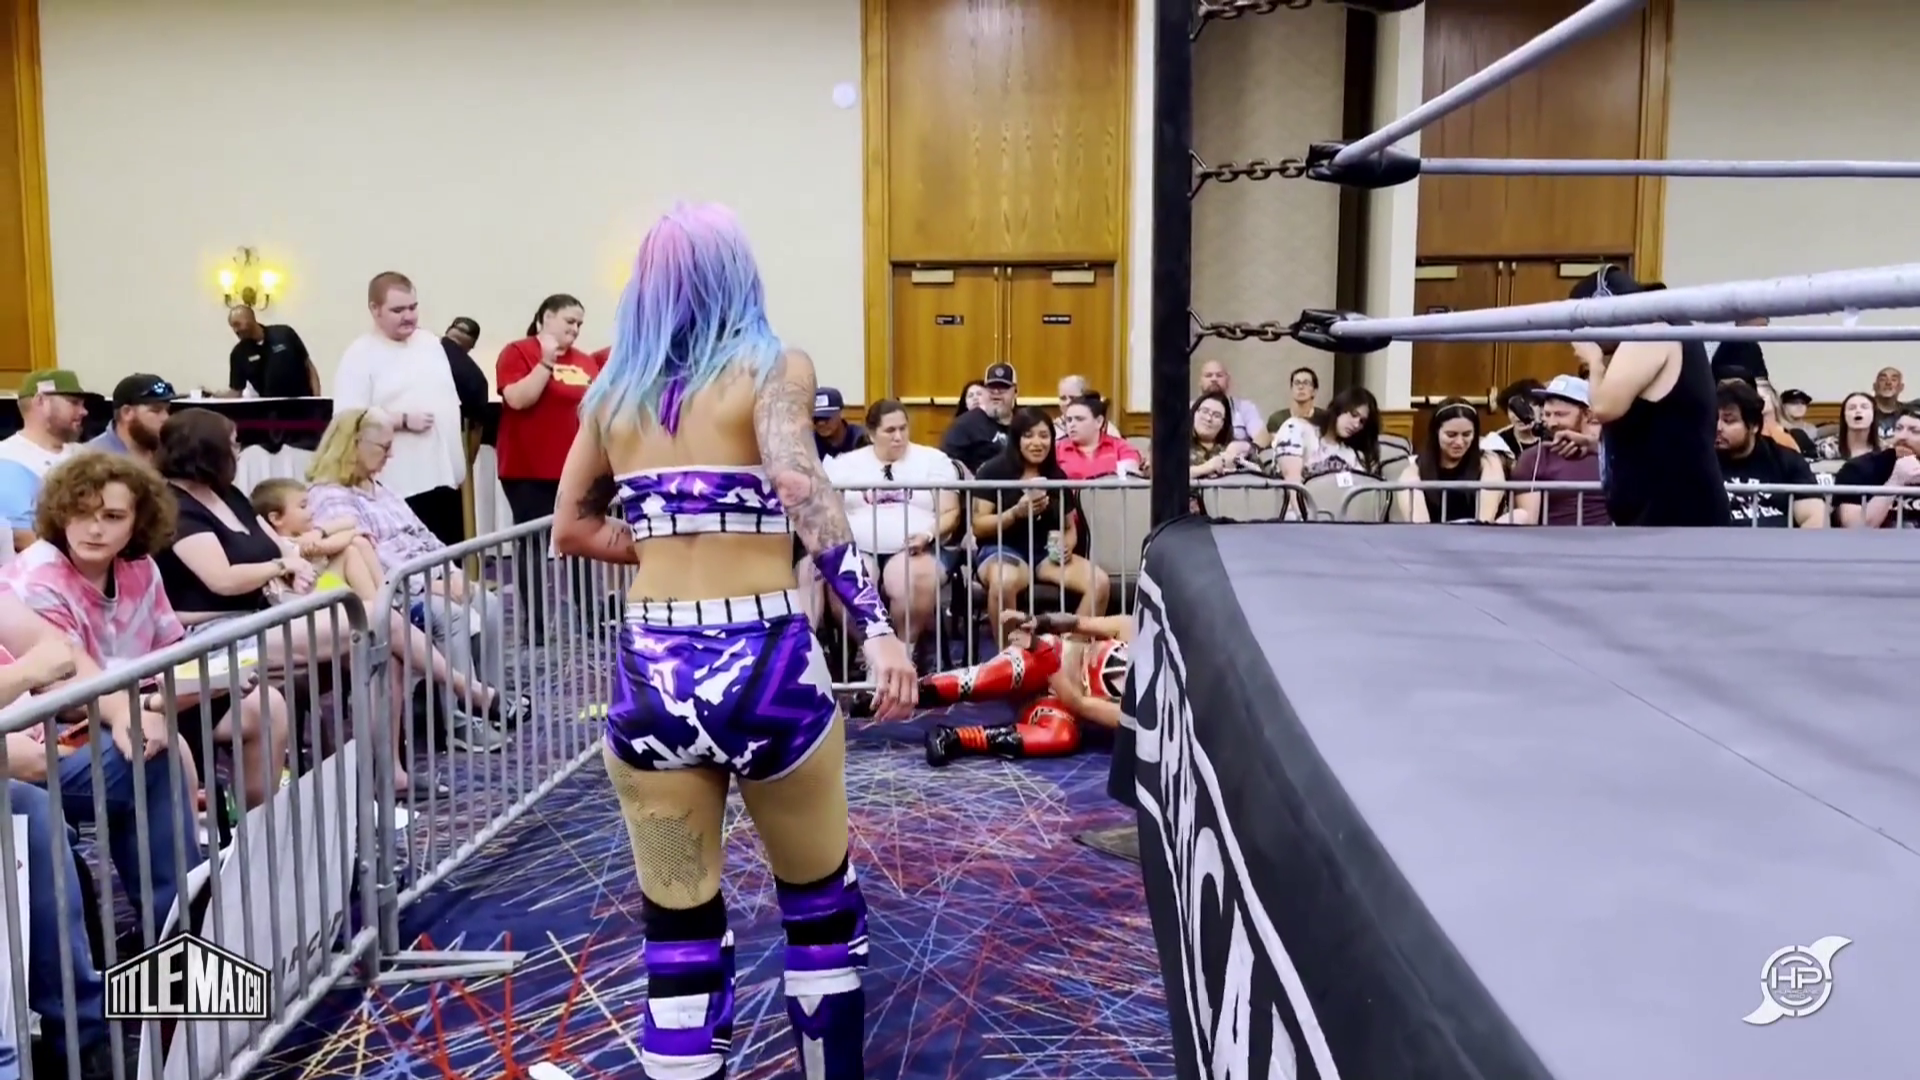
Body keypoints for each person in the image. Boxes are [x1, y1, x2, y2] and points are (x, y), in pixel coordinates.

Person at [550, 203, 914, 1080]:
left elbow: (571, 527)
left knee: (677, 933)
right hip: (767, 667)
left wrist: (665, 536)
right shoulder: (774, 367)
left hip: (653, 679)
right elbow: (796, 481)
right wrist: (875, 627)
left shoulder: (612, 394)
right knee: (819, 912)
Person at [861, 610, 1126, 767]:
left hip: (1059, 699)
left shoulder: (1141, 709)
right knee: (997, 676)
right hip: (1050, 656)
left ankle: (956, 738)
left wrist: (1042, 652)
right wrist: (1037, 620)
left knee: (1063, 736)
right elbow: (1077, 623)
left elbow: (1078, 703)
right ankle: (886, 696)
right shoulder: (1136, 629)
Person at [1571, 265, 1729, 527]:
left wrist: (1594, 362)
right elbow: (1660, 425)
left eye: (1582, 325)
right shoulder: (1666, 329)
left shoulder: (1650, 332)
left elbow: (1604, 407)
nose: (1580, 336)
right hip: (1667, 515)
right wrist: (1594, 446)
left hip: (1675, 518)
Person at [332, 272, 469, 547]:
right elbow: (346, 419)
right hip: (401, 484)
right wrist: (401, 420)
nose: (409, 316)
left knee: (450, 559)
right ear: (375, 309)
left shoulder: (430, 343)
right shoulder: (359, 354)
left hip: (444, 476)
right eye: (398, 310)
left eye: (413, 307)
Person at [496, 294, 604, 636]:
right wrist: (545, 362)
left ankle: (590, 617)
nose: (575, 328)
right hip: (528, 469)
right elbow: (518, 399)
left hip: (574, 468)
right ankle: (537, 626)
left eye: (579, 323)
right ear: (545, 317)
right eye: (569, 321)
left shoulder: (585, 361)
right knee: (533, 544)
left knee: (581, 541)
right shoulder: (518, 352)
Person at [1500, 376, 1610, 527]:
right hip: (1552, 540)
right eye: (1547, 414)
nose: (1551, 423)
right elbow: (1528, 520)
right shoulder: (1534, 458)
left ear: (1587, 414)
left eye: (1560, 414)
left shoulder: (1609, 453)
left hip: (1611, 538)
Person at [0, 370, 89, 554]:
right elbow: (22, 536)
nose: (84, 411)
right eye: (74, 403)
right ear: (41, 401)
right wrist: (71, 566)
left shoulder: (85, 455)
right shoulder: (7, 458)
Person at [1713, 380, 1823, 528]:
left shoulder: (1786, 460)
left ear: (1754, 426)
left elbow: (1813, 518)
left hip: (1778, 541)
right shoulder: (1698, 462)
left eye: (1729, 420)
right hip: (1716, 541)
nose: (1718, 428)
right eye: (1714, 419)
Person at [1833, 404, 1920, 528]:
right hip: (1877, 541)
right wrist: (1896, 481)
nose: (1902, 436)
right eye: (1899, 428)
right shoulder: (1858, 468)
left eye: (1915, 431)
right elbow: (1855, 528)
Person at [222, 304, 319, 398]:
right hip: (271, 406)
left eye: (237, 324)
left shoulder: (284, 334)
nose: (236, 330)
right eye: (233, 327)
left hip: (303, 402)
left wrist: (317, 399)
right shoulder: (238, 353)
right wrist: (217, 397)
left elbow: (308, 366)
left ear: (250, 319)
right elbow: (236, 391)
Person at [86, 373, 178, 462]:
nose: (166, 418)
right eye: (156, 410)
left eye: (167, 410)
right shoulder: (92, 459)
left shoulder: (171, 455)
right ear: (126, 412)